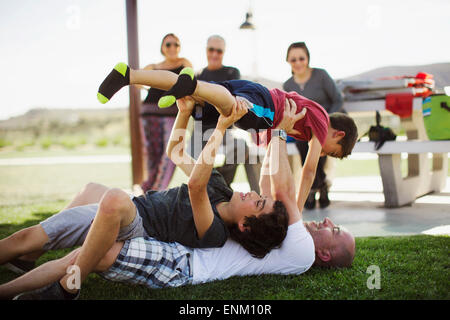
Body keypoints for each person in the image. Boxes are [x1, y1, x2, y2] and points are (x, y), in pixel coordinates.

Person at [0, 99, 355, 299]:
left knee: (99, 226)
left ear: (324, 253)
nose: (327, 221)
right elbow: (266, 183)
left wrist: (276, 128)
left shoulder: (300, 250)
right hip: (143, 214)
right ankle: (34, 269)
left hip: (173, 254)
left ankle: (62, 290)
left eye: (335, 230)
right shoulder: (246, 208)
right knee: (33, 236)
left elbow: (280, 189)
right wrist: (185, 111)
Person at [97, 62, 358, 213]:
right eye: (331, 151)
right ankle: (193, 89)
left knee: (202, 93)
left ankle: (129, 75)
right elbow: (309, 172)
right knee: (232, 107)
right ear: (338, 133)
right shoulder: (322, 122)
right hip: (264, 103)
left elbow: (269, 163)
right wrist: (296, 213)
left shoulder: (305, 119)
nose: (323, 153)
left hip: (254, 92)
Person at [190, 35, 259, 191]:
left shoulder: (232, 72)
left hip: (227, 129)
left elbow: (231, 103)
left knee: (244, 148)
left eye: (219, 51)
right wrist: (217, 99)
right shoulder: (197, 75)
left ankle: (226, 186)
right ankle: (219, 187)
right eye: (211, 49)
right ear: (206, 50)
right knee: (196, 156)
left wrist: (204, 99)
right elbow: (196, 113)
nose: (214, 54)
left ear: (224, 52)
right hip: (201, 131)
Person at [283, 42, 345, 209]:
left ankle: (312, 188)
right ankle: (321, 183)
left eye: (301, 58)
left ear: (308, 59)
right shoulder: (287, 85)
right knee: (303, 141)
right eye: (293, 59)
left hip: (328, 124)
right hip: (304, 129)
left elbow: (338, 100)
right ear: (288, 61)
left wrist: (327, 122)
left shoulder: (321, 76)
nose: (298, 63)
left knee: (318, 140)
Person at [139, 33, 192, 192]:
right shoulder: (153, 67)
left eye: (175, 44)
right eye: (168, 44)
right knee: (152, 154)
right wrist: (151, 87)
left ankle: (158, 189)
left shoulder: (184, 63)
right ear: (162, 47)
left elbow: (190, 81)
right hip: (149, 113)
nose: (172, 48)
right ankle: (148, 188)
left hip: (172, 114)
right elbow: (138, 81)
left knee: (171, 152)